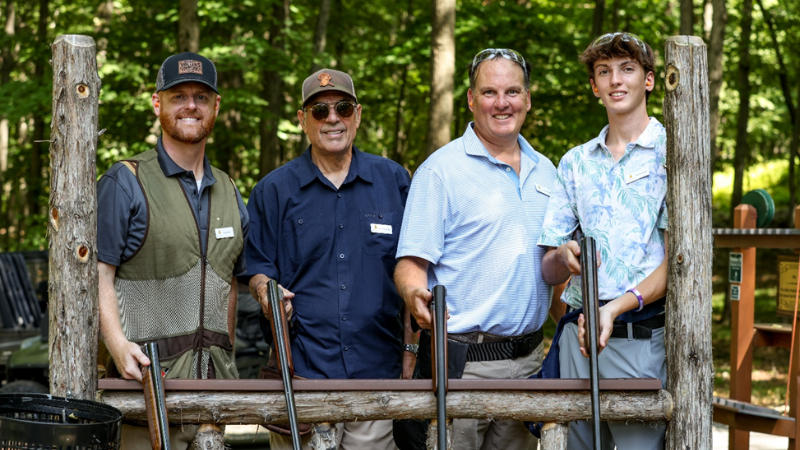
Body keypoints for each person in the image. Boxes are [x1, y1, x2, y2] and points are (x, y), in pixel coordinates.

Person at [394, 48, 557, 450]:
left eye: (512, 91)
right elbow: (410, 265)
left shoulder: (549, 172)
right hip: (463, 366)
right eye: (489, 92)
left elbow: (556, 270)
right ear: (470, 99)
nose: (502, 103)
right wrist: (415, 294)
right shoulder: (441, 171)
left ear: (528, 98)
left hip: (529, 363)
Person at [245, 68, 410, 450]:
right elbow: (256, 270)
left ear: (358, 114)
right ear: (302, 120)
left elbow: (414, 270)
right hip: (301, 376)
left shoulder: (394, 181)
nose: (332, 118)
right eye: (319, 110)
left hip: (377, 377)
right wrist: (267, 293)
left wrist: (410, 352)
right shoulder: (272, 190)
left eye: (343, 108)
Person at [97, 52, 249, 448]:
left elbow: (230, 281)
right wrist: (117, 344)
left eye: (201, 97)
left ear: (216, 106)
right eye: (178, 95)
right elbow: (98, 275)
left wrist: (225, 355)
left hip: (212, 402)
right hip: (143, 391)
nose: (190, 106)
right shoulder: (126, 180)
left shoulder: (231, 191)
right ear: (157, 103)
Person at [538, 32, 668, 449]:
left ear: (648, 80)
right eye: (604, 71)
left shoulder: (673, 153)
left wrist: (614, 308)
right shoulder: (575, 162)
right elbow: (548, 267)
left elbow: (679, 263)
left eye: (627, 69)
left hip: (641, 340)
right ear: (594, 86)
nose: (616, 80)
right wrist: (562, 255)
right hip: (580, 340)